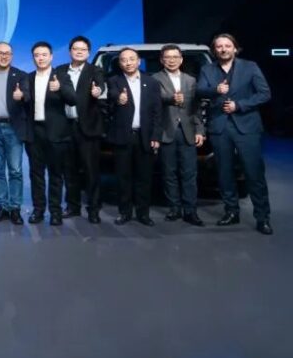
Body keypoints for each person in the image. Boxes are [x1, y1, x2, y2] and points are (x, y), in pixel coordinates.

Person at [196, 33, 273, 234]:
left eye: (227, 46)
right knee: (224, 173)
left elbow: (264, 93)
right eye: (219, 46)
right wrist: (215, 90)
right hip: (219, 126)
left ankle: (262, 217)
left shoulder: (250, 67)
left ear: (235, 48)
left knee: (254, 173)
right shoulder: (207, 69)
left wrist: (240, 105)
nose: (223, 49)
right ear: (214, 50)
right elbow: (200, 90)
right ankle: (231, 212)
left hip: (247, 126)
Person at [106, 48, 162, 226]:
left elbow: (157, 112)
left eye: (132, 59)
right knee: (123, 177)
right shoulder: (113, 81)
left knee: (144, 178)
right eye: (124, 60)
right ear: (120, 63)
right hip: (123, 136)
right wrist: (117, 100)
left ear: (138, 61)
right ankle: (125, 212)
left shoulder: (151, 82)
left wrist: (156, 135)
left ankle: (143, 213)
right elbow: (108, 106)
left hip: (144, 136)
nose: (128, 62)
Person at [152, 45, 205, 226]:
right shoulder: (154, 79)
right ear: (162, 60)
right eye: (168, 57)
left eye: (175, 57)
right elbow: (154, 102)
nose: (172, 60)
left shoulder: (191, 80)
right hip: (166, 131)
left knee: (189, 173)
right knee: (169, 173)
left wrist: (200, 130)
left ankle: (190, 211)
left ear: (181, 59)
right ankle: (174, 208)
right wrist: (171, 99)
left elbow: (196, 108)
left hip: (187, 131)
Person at [58, 35, 107, 224]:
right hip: (66, 127)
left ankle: (93, 209)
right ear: (70, 51)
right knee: (69, 170)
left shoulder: (95, 70)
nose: (79, 52)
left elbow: (100, 86)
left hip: (88, 128)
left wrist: (98, 91)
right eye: (76, 49)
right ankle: (73, 206)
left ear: (88, 52)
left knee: (90, 170)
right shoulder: (60, 70)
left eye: (83, 49)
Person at [0, 42, 31, 225]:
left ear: (12, 55)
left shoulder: (21, 75)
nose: (4, 56)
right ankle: (2, 207)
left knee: (15, 170)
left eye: (7, 53)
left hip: (13, 128)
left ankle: (15, 208)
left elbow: (29, 96)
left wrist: (22, 96)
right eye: (0, 53)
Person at [26, 42, 74, 226]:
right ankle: (38, 210)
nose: (40, 58)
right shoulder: (29, 78)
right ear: (33, 58)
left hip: (56, 133)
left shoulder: (61, 76)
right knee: (36, 174)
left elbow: (73, 100)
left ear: (51, 57)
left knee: (55, 174)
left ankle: (55, 211)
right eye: (37, 55)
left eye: (44, 54)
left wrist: (60, 88)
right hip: (35, 132)